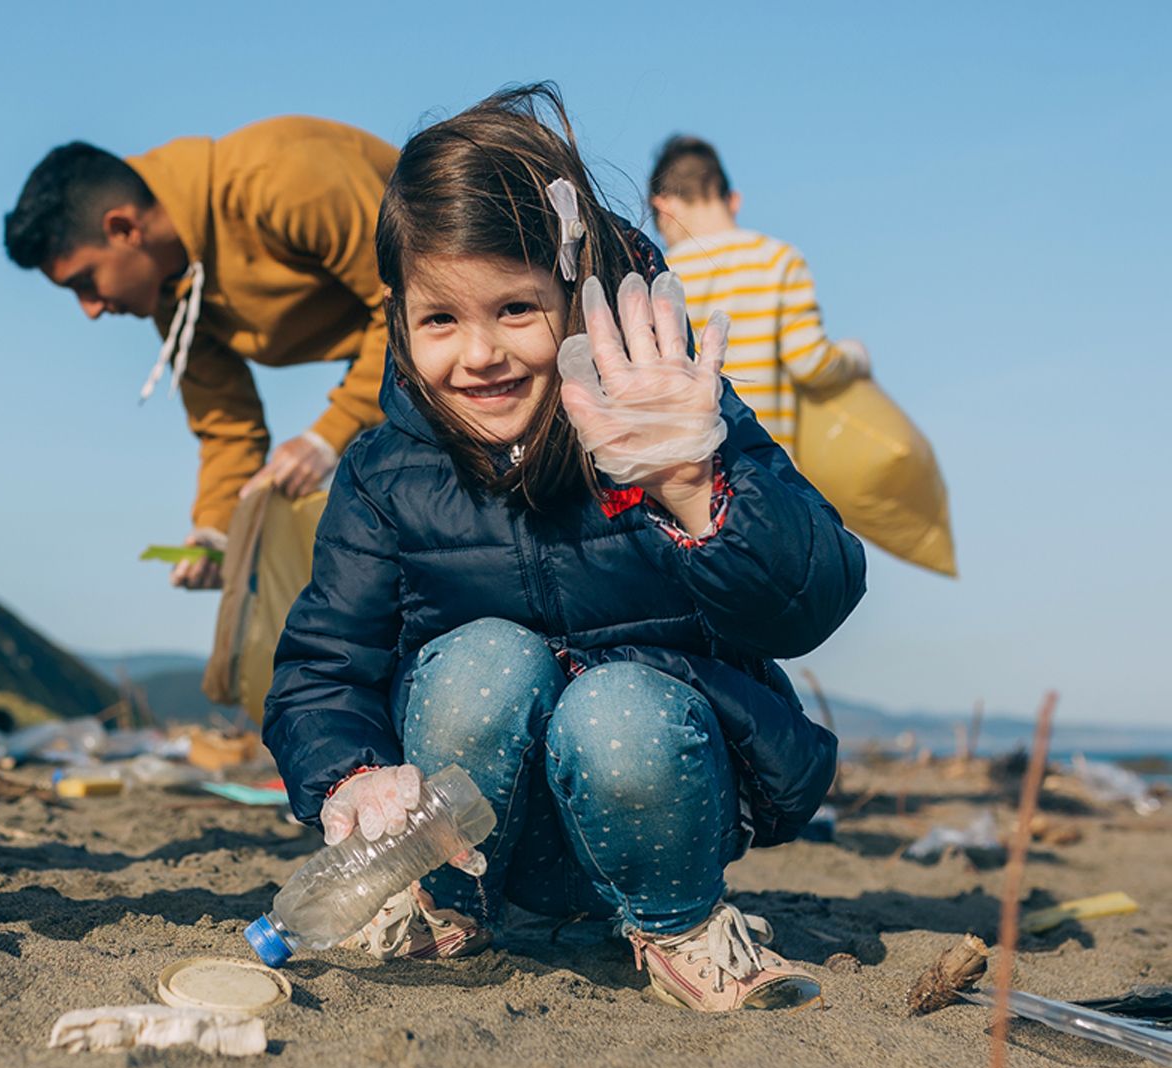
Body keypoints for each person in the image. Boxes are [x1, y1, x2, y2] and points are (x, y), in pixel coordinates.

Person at [263, 86, 866, 1011]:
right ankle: (441, 910)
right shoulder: (386, 475)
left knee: (615, 701)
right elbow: (322, 668)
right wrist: (352, 772)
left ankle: (683, 934)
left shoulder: (675, 424)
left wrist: (695, 489)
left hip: (658, 807)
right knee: (483, 660)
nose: (479, 355)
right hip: (469, 838)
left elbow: (813, 599)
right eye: (440, 320)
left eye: (515, 309)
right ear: (397, 318)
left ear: (576, 294)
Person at [2, 120, 396, 589]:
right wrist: (214, 528)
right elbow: (227, 424)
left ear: (124, 228)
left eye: (85, 282)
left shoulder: (282, 177)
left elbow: (413, 303)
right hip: (410, 370)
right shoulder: (172, 290)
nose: (90, 310)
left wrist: (328, 437)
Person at [648, 135, 868, 450]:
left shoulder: (660, 274)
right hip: (769, 472)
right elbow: (810, 362)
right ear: (734, 200)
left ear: (662, 206)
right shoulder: (777, 258)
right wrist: (854, 358)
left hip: (684, 470)